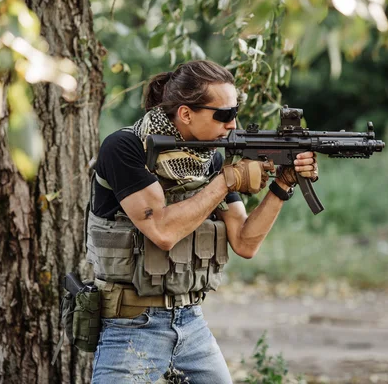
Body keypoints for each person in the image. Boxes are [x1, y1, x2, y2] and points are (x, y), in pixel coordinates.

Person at [87, 60, 319, 383]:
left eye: (235, 112)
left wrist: (282, 184)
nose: (233, 124)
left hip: (190, 321)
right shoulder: (125, 149)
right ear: (185, 114)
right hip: (132, 324)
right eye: (223, 115)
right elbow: (163, 231)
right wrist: (226, 181)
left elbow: (245, 242)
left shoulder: (209, 159)